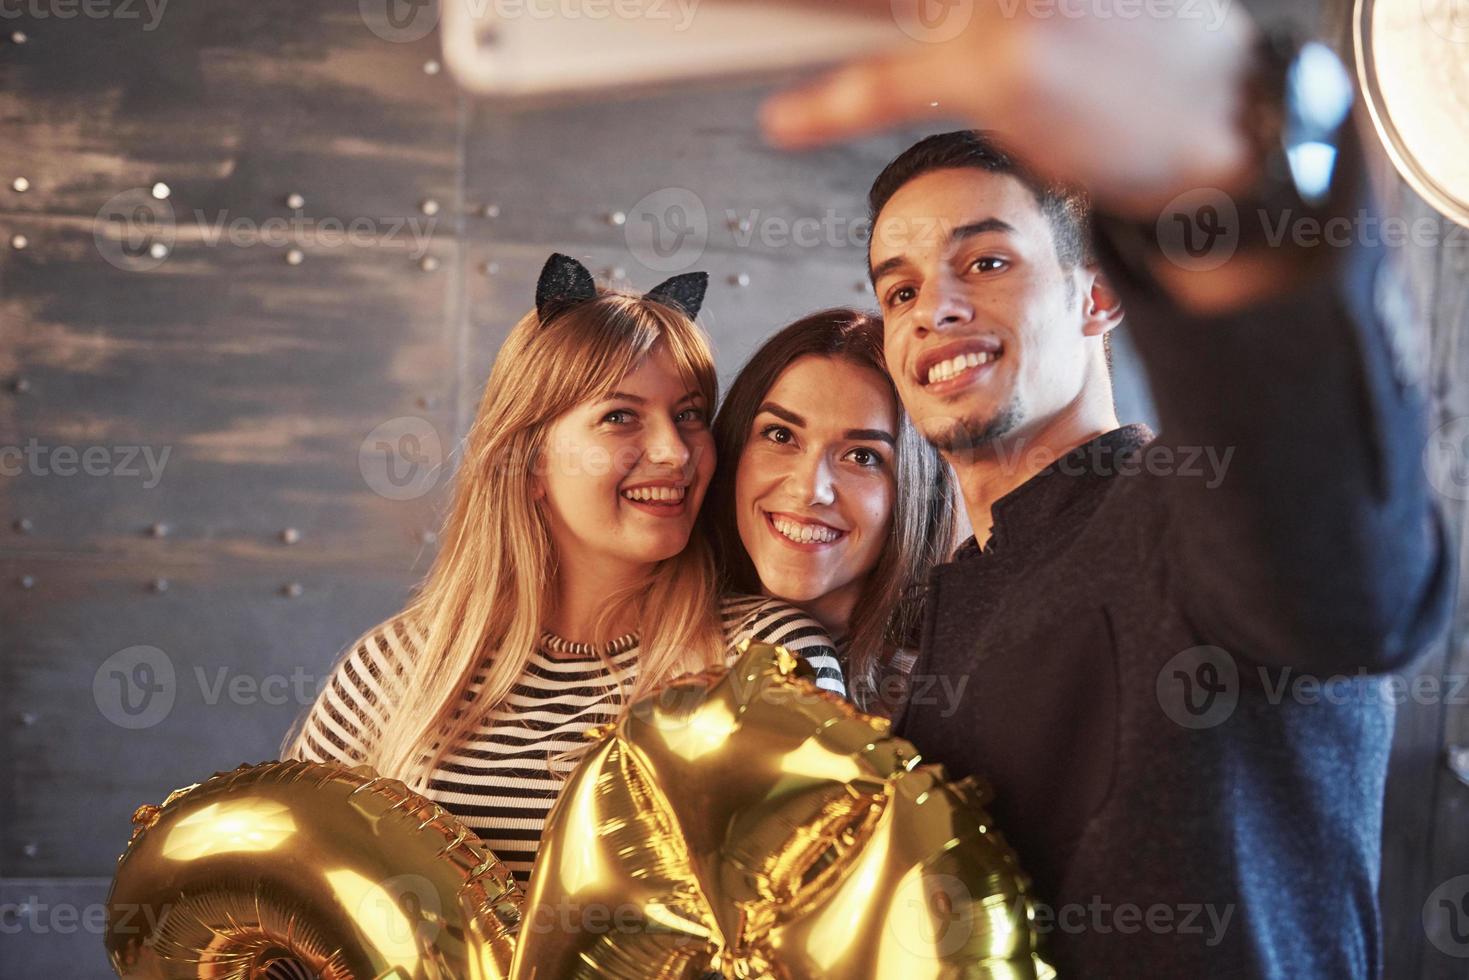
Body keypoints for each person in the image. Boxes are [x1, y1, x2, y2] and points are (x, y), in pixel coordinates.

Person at [758, 6, 1453, 978]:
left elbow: (1351, 586)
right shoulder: (944, 607)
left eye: (986, 261)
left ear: (1096, 293)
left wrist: (1219, 159)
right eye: (899, 288)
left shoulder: (1191, 514)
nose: (935, 308)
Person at [282, 253, 844, 884]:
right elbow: (295, 904)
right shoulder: (392, 672)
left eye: (688, 415)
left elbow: (809, 929)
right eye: (621, 416)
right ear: (530, 461)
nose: (674, 451)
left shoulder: (769, 661)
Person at [703, 308, 956, 715]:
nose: (810, 489)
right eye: (781, 435)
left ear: (917, 493)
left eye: (862, 456)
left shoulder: (944, 703)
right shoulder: (650, 647)